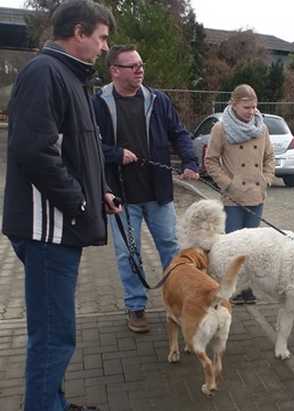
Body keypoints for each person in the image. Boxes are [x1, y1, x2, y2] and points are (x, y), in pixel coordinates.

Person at [2, 2, 120, 410]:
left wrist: (99, 189)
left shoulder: (70, 77)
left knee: (55, 332)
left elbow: (77, 150)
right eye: (102, 38)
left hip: (60, 226)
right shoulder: (45, 73)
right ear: (79, 32)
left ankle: (51, 401)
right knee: (53, 335)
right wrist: (79, 201)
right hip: (47, 230)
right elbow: (34, 151)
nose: (105, 48)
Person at [94, 45, 199, 334]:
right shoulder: (99, 103)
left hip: (159, 193)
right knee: (128, 254)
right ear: (115, 70)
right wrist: (115, 154)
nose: (140, 70)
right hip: (121, 197)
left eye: (141, 64)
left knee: (171, 248)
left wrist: (190, 160)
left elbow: (178, 132)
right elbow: (88, 146)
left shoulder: (158, 100)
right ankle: (136, 307)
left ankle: (177, 302)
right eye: (132, 66)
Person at [204, 84, 275, 304]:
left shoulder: (261, 127)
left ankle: (246, 288)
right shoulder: (221, 129)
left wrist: (266, 180)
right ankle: (228, 285)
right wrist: (228, 184)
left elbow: (269, 158)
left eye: (254, 107)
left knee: (252, 246)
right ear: (233, 104)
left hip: (256, 194)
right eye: (247, 107)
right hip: (234, 198)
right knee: (233, 245)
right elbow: (211, 160)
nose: (252, 111)